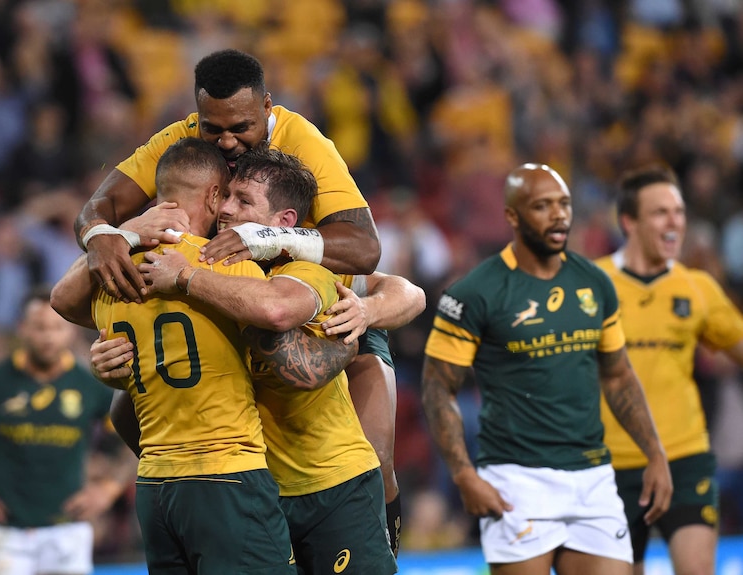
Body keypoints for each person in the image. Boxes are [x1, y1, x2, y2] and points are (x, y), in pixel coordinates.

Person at [72, 48, 404, 555]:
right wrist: (103, 234)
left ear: (268, 107)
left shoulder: (303, 139)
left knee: (373, 455)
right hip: (227, 304)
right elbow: (97, 209)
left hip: (310, 304)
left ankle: (378, 540)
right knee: (125, 413)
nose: (226, 141)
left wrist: (271, 241)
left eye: (242, 127)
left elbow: (365, 248)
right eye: (213, 129)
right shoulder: (180, 138)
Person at [54, 138, 304, 574]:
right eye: (225, 195)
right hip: (227, 477)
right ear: (211, 195)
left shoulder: (114, 274)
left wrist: (127, 231)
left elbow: (62, 300)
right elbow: (276, 309)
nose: (227, 207)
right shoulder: (227, 266)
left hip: (155, 486)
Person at [421, 163, 673, 575]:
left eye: (564, 204)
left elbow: (618, 375)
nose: (559, 215)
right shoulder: (475, 293)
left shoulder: (594, 283)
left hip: (592, 476)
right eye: (542, 206)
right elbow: (437, 388)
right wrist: (464, 474)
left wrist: (655, 454)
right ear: (512, 217)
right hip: (517, 480)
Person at [0, 286, 134, 575]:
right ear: (21, 329)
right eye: (39, 327)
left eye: (56, 328)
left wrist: (108, 489)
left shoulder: (92, 386)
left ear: (70, 331)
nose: (48, 337)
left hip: (68, 533)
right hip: (7, 535)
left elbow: (134, 435)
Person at [596, 163, 743, 575]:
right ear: (630, 222)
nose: (675, 220)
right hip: (610, 465)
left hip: (684, 454)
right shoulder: (593, 284)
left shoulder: (697, 287)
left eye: (678, 211)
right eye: (661, 212)